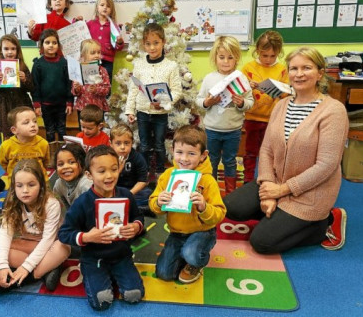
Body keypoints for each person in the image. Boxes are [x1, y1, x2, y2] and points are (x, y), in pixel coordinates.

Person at [224, 47, 349, 254]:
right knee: (232, 207)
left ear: (319, 73)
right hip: (276, 182)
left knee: (262, 242)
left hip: (310, 192)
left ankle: (324, 223)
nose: (299, 74)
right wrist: (268, 190)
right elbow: (266, 150)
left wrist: (282, 190)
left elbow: (327, 165)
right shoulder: (281, 105)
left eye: (306, 68)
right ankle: (282, 215)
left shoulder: (333, 111)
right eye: (294, 68)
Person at [58, 145, 145, 310]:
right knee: (102, 302)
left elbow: (138, 217)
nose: (109, 176)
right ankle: (94, 274)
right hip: (93, 258)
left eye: (114, 169)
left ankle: (115, 274)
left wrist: (135, 227)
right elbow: (64, 233)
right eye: (102, 171)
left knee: (134, 296)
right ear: (89, 175)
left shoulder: (126, 195)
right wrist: (86, 237)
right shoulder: (82, 202)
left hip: (122, 255)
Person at [149, 125, 226, 284]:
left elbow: (220, 213)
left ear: (203, 155)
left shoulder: (207, 180)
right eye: (179, 152)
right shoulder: (168, 175)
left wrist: (204, 207)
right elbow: (153, 202)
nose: (184, 159)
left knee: (192, 254)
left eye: (191, 154)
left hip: (202, 231)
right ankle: (185, 253)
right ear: (172, 150)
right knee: (164, 273)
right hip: (177, 232)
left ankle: (196, 261)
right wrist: (158, 201)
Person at [0, 159, 71, 294]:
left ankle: (26, 278)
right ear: (14, 187)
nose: (25, 191)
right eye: (19, 186)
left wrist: (26, 268)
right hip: (27, 244)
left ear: (40, 185)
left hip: (49, 246)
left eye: (31, 185)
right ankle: (47, 269)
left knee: (63, 247)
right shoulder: (12, 203)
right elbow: (5, 234)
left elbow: (48, 240)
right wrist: (1, 266)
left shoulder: (51, 204)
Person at [195, 36, 254, 195]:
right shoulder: (209, 78)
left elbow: (250, 101)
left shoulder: (240, 78)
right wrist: (207, 102)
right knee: (211, 161)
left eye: (230, 57)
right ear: (215, 57)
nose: (226, 61)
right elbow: (199, 101)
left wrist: (241, 103)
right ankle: (210, 191)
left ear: (237, 58)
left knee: (230, 161)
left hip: (233, 130)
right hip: (212, 129)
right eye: (221, 57)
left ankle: (230, 194)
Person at [125, 22, 182, 174]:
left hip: (160, 114)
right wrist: (130, 110)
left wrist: (164, 103)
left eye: (156, 43)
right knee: (144, 145)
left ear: (163, 42)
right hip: (142, 111)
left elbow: (177, 91)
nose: (152, 48)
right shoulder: (139, 64)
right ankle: (144, 172)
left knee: (159, 144)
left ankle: (159, 172)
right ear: (143, 45)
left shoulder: (171, 66)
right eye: (148, 44)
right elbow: (133, 89)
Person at [241, 30, 289, 183]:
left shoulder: (282, 69)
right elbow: (239, 89)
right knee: (250, 151)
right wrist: (248, 86)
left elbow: (286, 94)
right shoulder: (248, 67)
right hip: (252, 117)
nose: (268, 60)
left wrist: (276, 90)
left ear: (278, 53)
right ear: (257, 51)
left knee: (269, 152)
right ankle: (248, 180)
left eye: (272, 56)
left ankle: (267, 180)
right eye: (264, 55)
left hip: (273, 119)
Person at [31, 29, 73, 142]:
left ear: (58, 45)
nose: (51, 45)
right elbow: (35, 86)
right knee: (49, 130)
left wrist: (69, 102)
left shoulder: (64, 63)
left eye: (54, 43)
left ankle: (63, 152)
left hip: (61, 104)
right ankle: (51, 151)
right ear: (41, 45)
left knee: (62, 129)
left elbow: (69, 83)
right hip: (45, 105)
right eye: (47, 42)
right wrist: (37, 104)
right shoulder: (38, 65)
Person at [0, 34, 34, 139]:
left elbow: (32, 88)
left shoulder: (22, 67)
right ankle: (10, 154)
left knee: (24, 131)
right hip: (5, 106)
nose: (10, 52)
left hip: (21, 103)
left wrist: (25, 80)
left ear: (18, 51)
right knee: (8, 134)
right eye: (6, 49)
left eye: (13, 49)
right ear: (1, 50)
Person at [0, 106, 50, 188]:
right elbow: (4, 163)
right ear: (14, 130)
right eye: (26, 122)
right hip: (17, 183)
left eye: (35, 121)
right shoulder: (6, 146)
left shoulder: (43, 143)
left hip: (40, 181)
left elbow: (46, 162)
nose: (33, 125)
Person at [110, 123, 152, 216]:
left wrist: (129, 194)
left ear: (132, 143)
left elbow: (143, 180)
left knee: (148, 194)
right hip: (115, 189)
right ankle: (134, 207)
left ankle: (134, 207)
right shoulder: (108, 157)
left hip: (133, 190)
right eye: (118, 143)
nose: (122, 147)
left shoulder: (137, 157)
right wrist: (118, 171)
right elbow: (106, 180)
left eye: (126, 143)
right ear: (111, 144)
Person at [86, 0, 124, 81]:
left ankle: (107, 95)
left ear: (111, 10)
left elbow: (118, 47)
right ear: (97, 8)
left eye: (108, 6)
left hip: (107, 61)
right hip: (91, 59)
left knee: (106, 83)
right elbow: (79, 33)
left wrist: (119, 42)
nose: (105, 8)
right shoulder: (90, 23)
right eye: (102, 5)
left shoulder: (114, 26)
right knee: (91, 83)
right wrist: (76, 22)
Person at [71, 39, 111, 115]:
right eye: (93, 53)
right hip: (82, 107)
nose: (96, 55)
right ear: (83, 56)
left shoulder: (102, 70)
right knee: (83, 126)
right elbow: (74, 92)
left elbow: (107, 89)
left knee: (97, 126)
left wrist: (96, 89)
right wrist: (76, 88)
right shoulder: (78, 70)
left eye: (98, 52)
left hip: (98, 107)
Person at [53, 143, 92, 210]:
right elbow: (65, 210)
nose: (65, 167)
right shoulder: (59, 184)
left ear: (82, 163)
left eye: (71, 162)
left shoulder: (86, 185)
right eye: (60, 164)